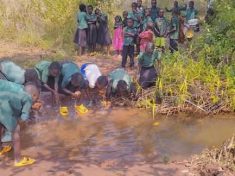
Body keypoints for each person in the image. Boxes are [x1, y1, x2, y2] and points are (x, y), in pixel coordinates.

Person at [0, 80, 41, 167]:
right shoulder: (29, 98)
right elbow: (23, 118)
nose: (36, 100)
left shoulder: (20, 89)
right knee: (16, 130)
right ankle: (18, 160)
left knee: (1, 126)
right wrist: (31, 107)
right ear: (33, 95)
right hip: (4, 106)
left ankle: (0, 149)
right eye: (36, 98)